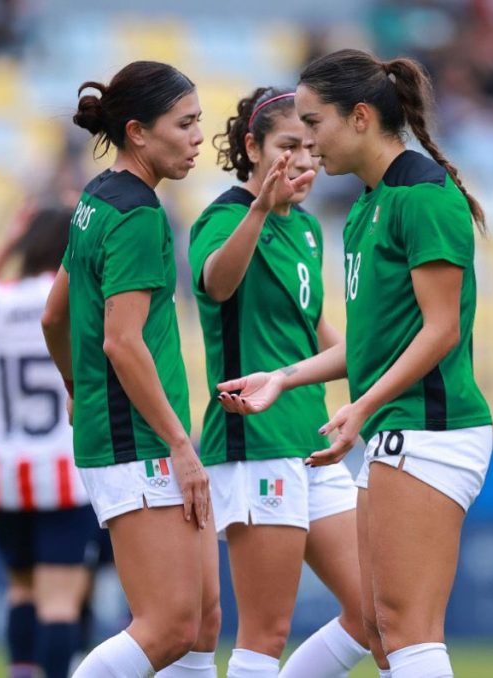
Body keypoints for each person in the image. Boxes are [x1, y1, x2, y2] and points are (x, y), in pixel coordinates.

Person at [216, 48, 493, 678]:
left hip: (431, 428)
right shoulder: (369, 204)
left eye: (314, 124)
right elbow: (369, 346)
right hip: (399, 425)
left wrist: (361, 406)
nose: (308, 145)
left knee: (407, 629)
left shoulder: (421, 194)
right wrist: (284, 376)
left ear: (361, 117)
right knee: (374, 622)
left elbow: (441, 331)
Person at [41, 61, 220, 678]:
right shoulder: (139, 215)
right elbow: (123, 343)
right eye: (186, 123)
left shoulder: (98, 197)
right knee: (170, 626)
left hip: (122, 430)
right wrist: (180, 444)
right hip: (138, 439)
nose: (199, 137)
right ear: (139, 132)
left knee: (202, 624)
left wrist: (73, 385)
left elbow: (53, 315)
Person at [189, 86, 370, 678]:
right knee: (265, 631)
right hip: (255, 442)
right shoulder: (222, 217)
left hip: (310, 441)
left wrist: (384, 376)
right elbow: (216, 284)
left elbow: (319, 333)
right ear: (252, 146)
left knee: (373, 613)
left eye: (313, 149)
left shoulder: (310, 230)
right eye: (288, 146)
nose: (304, 161)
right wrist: (259, 210)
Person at [0, 203, 107, 678]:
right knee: (60, 601)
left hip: (2, 471)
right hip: (61, 468)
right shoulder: (74, 301)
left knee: (21, 589)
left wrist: (10, 239)